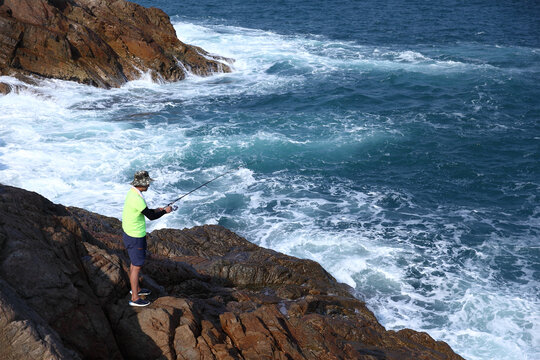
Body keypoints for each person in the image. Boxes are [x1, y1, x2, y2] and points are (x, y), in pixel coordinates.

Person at [122, 170, 172, 307]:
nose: (149, 185)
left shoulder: (132, 193)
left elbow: (147, 211)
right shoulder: (137, 199)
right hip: (135, 236)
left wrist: (158, 209)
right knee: (137, 266)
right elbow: (151, 217)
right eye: (147, 183)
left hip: (129, 233)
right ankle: (135, 298)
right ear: (142, 184)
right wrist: (165, 212)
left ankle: (136, 289)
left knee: (134, 263)